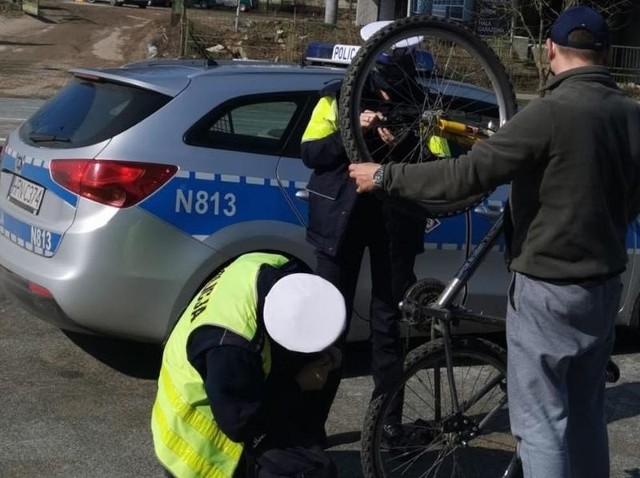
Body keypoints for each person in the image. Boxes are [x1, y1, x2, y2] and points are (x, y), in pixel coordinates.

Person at [349, 6, 640, 478]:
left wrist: (385, 175)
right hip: (604, 284)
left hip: (548, 285)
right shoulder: (631, 114)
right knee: (586, 416)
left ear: (548, 50)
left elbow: (466, 174)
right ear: (604, 53)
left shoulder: (548, 113)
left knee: (541, 424)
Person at [300, 40, 428, 442]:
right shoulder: (338, 96)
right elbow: (310, 152)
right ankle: (310, 423)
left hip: (395, 223)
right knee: (326, 324)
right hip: (341, 219)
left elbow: (439, 162)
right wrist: (355, 129)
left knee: (389, 326)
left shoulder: (423, 104)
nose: (393, 90)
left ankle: (388, 422)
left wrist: (401, 143)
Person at [151, 252, 347, 478]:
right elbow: (240, 423)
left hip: (225, 395)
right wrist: (298, 385)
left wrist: (322, 349)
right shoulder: (231, 347)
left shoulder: (276, 267)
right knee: (308, 472)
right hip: (198, 449)